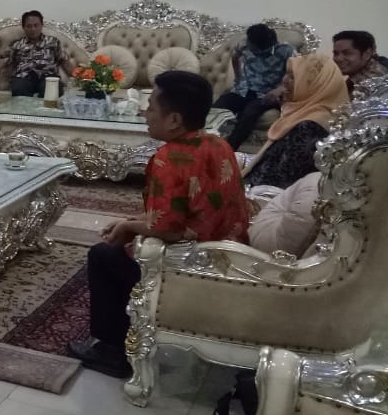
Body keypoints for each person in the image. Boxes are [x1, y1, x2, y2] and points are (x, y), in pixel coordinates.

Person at [68, 71, 251, 378]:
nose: (145, 112)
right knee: (120, 245)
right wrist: (131, 222)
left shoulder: (169, 158)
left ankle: (113, 350)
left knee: (103, 255)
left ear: (174, 119)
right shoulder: (218, 145)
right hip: (229, 258)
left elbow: (168, 228)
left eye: (151, 105)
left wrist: (128, 228)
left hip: (190, 267)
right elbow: (186, 212)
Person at [242, 54, 349, 189]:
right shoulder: (308, 113)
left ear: (313, 84)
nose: (284, 80)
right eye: (287, 74)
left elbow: (279, 180)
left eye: (293, 77)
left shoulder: (310, 126)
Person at [212, 24, 296, 151]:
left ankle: (228, 150)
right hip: (243, 90)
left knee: (250, 112)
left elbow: (296, 74)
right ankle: (202, 142)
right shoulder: (244, 45)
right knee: (220, 104)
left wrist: (279, 90)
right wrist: (238, 78)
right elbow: (235, 56)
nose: (249, 46)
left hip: (267, 94)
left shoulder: (287, 51)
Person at [0, 10, 68, 98]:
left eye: (36, 25)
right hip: (24, 77)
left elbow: (65, 61)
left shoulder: (53, 42)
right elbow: (1, 63)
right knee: (19, 87)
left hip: (47, 77)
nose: (33, 29)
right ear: (23, 27)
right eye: (29, 26)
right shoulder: (17, 45)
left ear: (41, 26)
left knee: (51, 88)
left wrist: (77, 75)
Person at [331, 30, 388, 95]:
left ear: (367, 53)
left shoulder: (377, 81)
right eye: (336, 53)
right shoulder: (356, 79)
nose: (339, 59)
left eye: (347, 53)